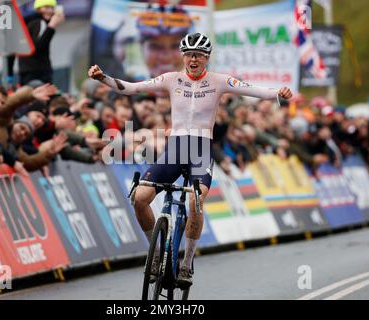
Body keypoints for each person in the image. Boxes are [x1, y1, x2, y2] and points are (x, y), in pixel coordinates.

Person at [88, 32, 292, 288]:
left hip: (200, 149)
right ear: (183, 56)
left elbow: (252, 90)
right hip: (176, 147)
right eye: (188, 54)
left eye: (198, 55)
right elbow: (132, 88)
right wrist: (103, 78)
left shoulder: (219, 81)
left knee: (196, 201)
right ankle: (156, 254)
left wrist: (278, 93)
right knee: (139, 198)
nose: (193, 59)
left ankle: (187, 264)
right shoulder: (172, 79)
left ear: (206, 58)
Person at [9, 0, 65, 85]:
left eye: (52, 8)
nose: (50, 10)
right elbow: (37, 47)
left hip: (25, 72)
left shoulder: (26, 24)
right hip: (38, 73)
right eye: (46, 7)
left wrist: (9, 73)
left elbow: (13, 50)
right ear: (38, 9)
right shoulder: (40, 23)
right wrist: (51, 27)